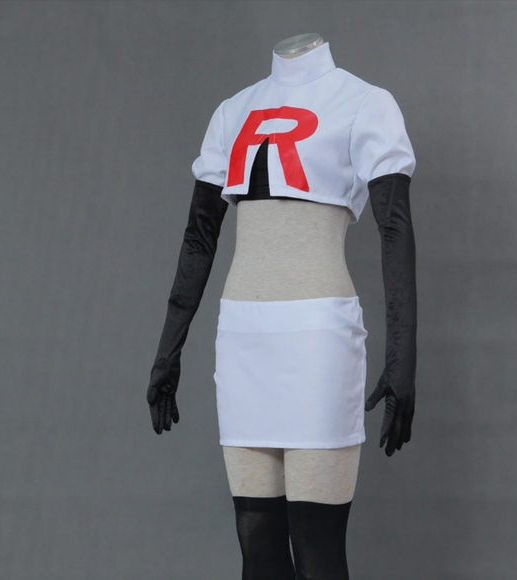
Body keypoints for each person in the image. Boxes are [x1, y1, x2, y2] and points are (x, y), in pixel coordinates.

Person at [146, 33, 417, 580]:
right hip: (243, 338)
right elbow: (199, 239)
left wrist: (402, 358)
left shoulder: (365, 103)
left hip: (319, 340)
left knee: (317, 552)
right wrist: (166, 352)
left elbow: (394, 228)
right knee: (258, 553)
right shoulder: (233, 111)